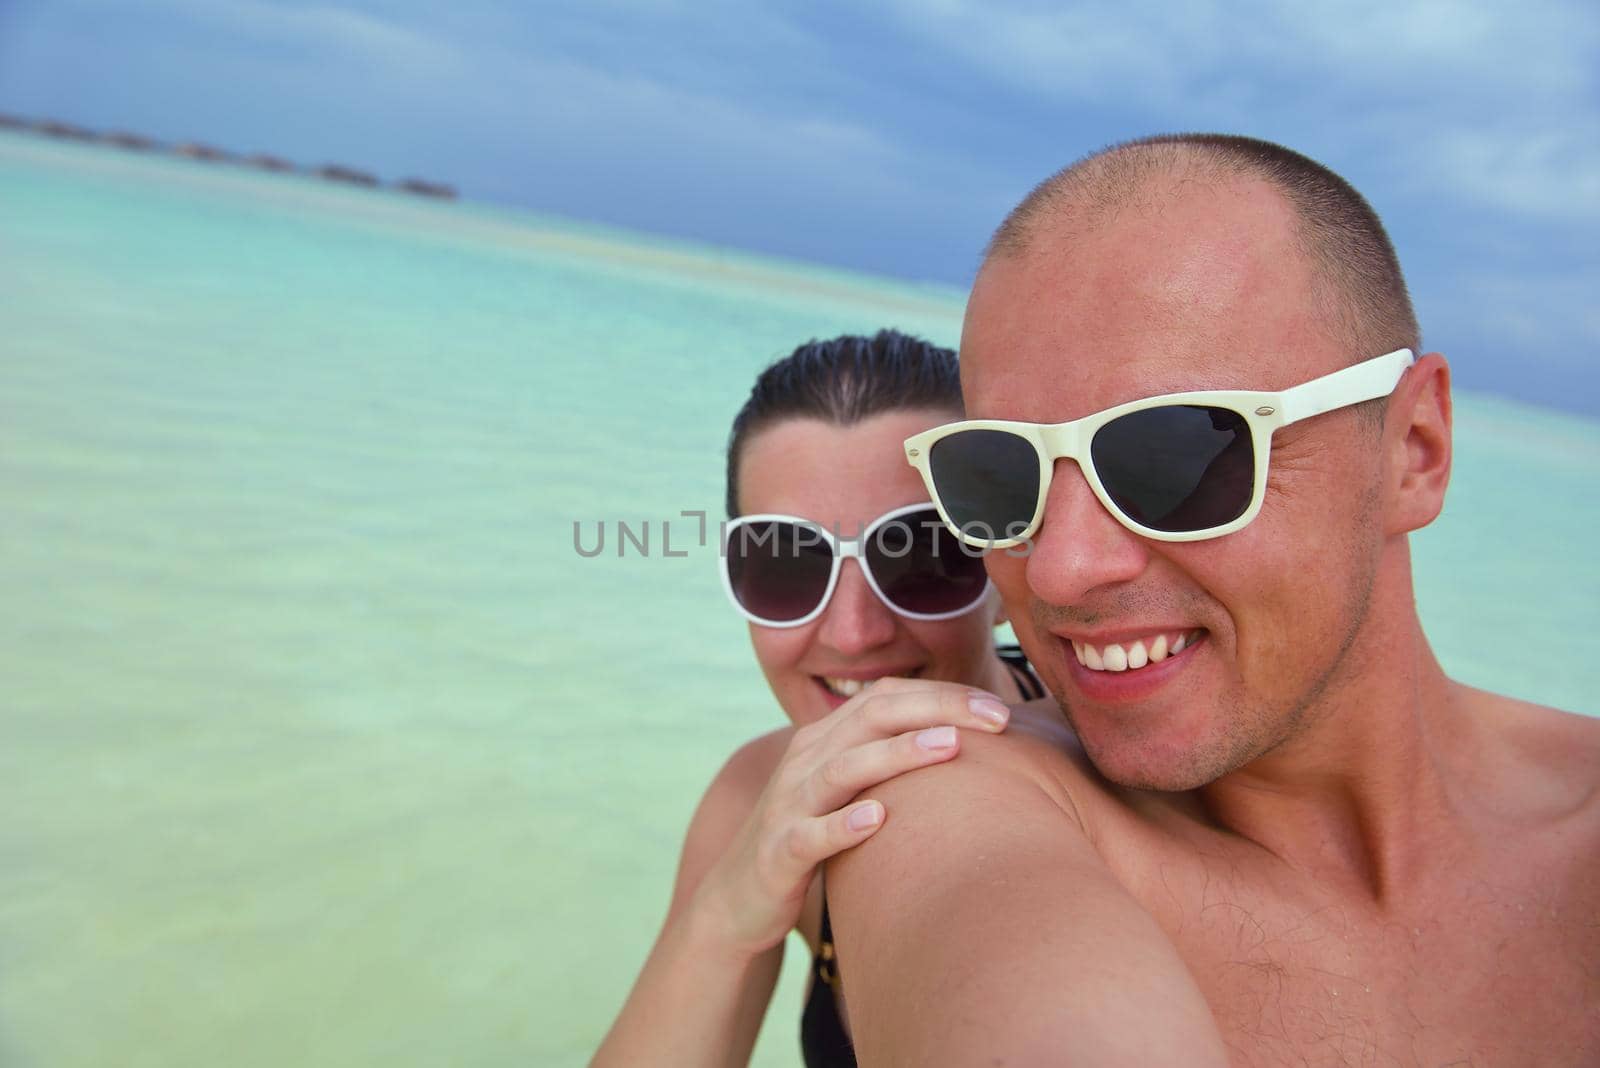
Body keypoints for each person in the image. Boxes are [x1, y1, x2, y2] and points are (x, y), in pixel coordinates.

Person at [827, 135, 1600, 1065]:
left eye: (1174, 458)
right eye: (997, 475)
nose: (1060, 569)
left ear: (1415, 450)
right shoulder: (953, 806)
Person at [591, 331, 1044, 1068]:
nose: (854, 633)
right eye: (785, 562)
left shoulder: (1125, 765)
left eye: (926, 554)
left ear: (1006, 573)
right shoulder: (759, 800)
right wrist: (727, 917)